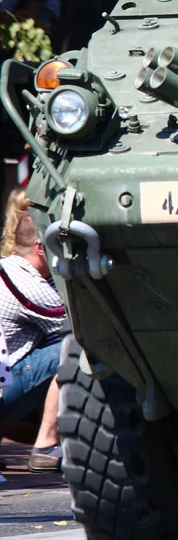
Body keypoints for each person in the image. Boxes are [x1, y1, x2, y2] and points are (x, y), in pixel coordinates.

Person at [0, 190, 66, 475]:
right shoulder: (29, 284)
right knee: (76, 346)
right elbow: (80, 323)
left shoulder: (7, 268)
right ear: (42, 247)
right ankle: (46, 446)